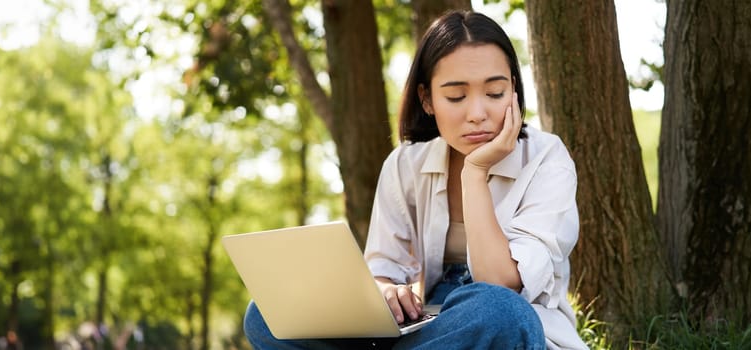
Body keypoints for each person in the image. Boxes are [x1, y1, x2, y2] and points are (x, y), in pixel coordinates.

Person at [244, 10, 588, 350]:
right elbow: (381, 271)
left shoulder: (546, 158)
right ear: (427, 100)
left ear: (513, 90)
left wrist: (475, 172)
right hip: (427, 327)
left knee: (499, 310)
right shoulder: (406, 164)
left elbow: (500, 284)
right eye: (456, 96)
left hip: (501, 324)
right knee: (267, 314)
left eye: (495, 93)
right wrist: (387, 292)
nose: (477, 113)